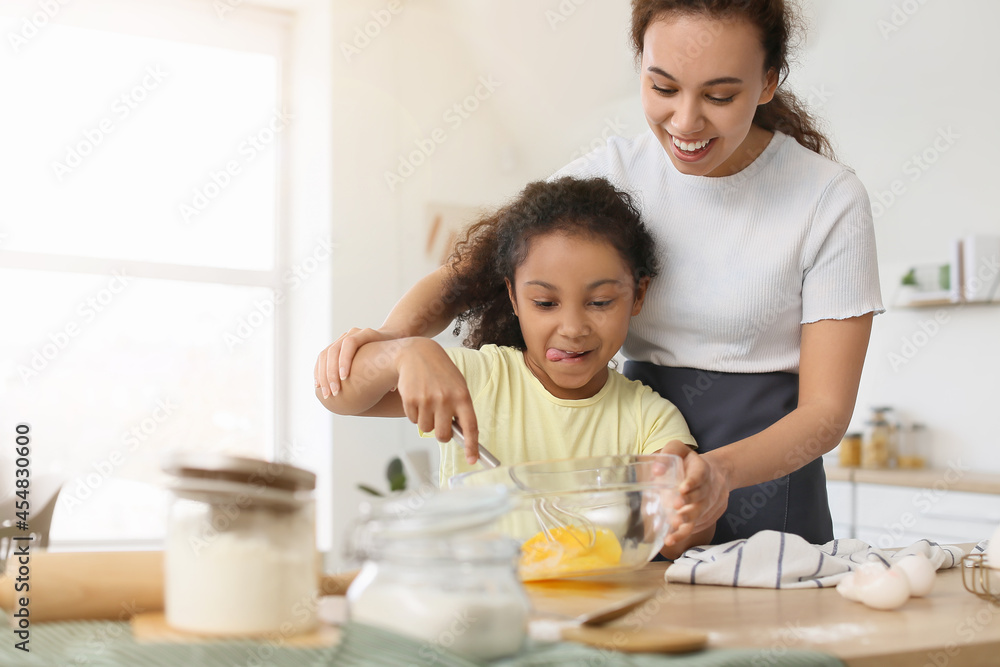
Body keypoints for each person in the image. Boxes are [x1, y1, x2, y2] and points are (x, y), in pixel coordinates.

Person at [316, 0, 883, 547]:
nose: (685, 121)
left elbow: (826, 414)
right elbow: (470, 274)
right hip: (630, 464)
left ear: (767, 82)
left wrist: (716, 474)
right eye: (663, 88)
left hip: (765, 478)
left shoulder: (827, 200)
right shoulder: (615, 173)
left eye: (719, 94)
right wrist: (395, 344)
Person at [315, 176, 714, 557]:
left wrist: (685, 506)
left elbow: (681, 540)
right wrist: (406, 353)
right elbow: (338, 393)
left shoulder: (650, 419)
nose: (573, 329)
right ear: (513, 296)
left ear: (638, 295)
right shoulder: (478, 379)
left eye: (600, 302)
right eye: (545, 303)